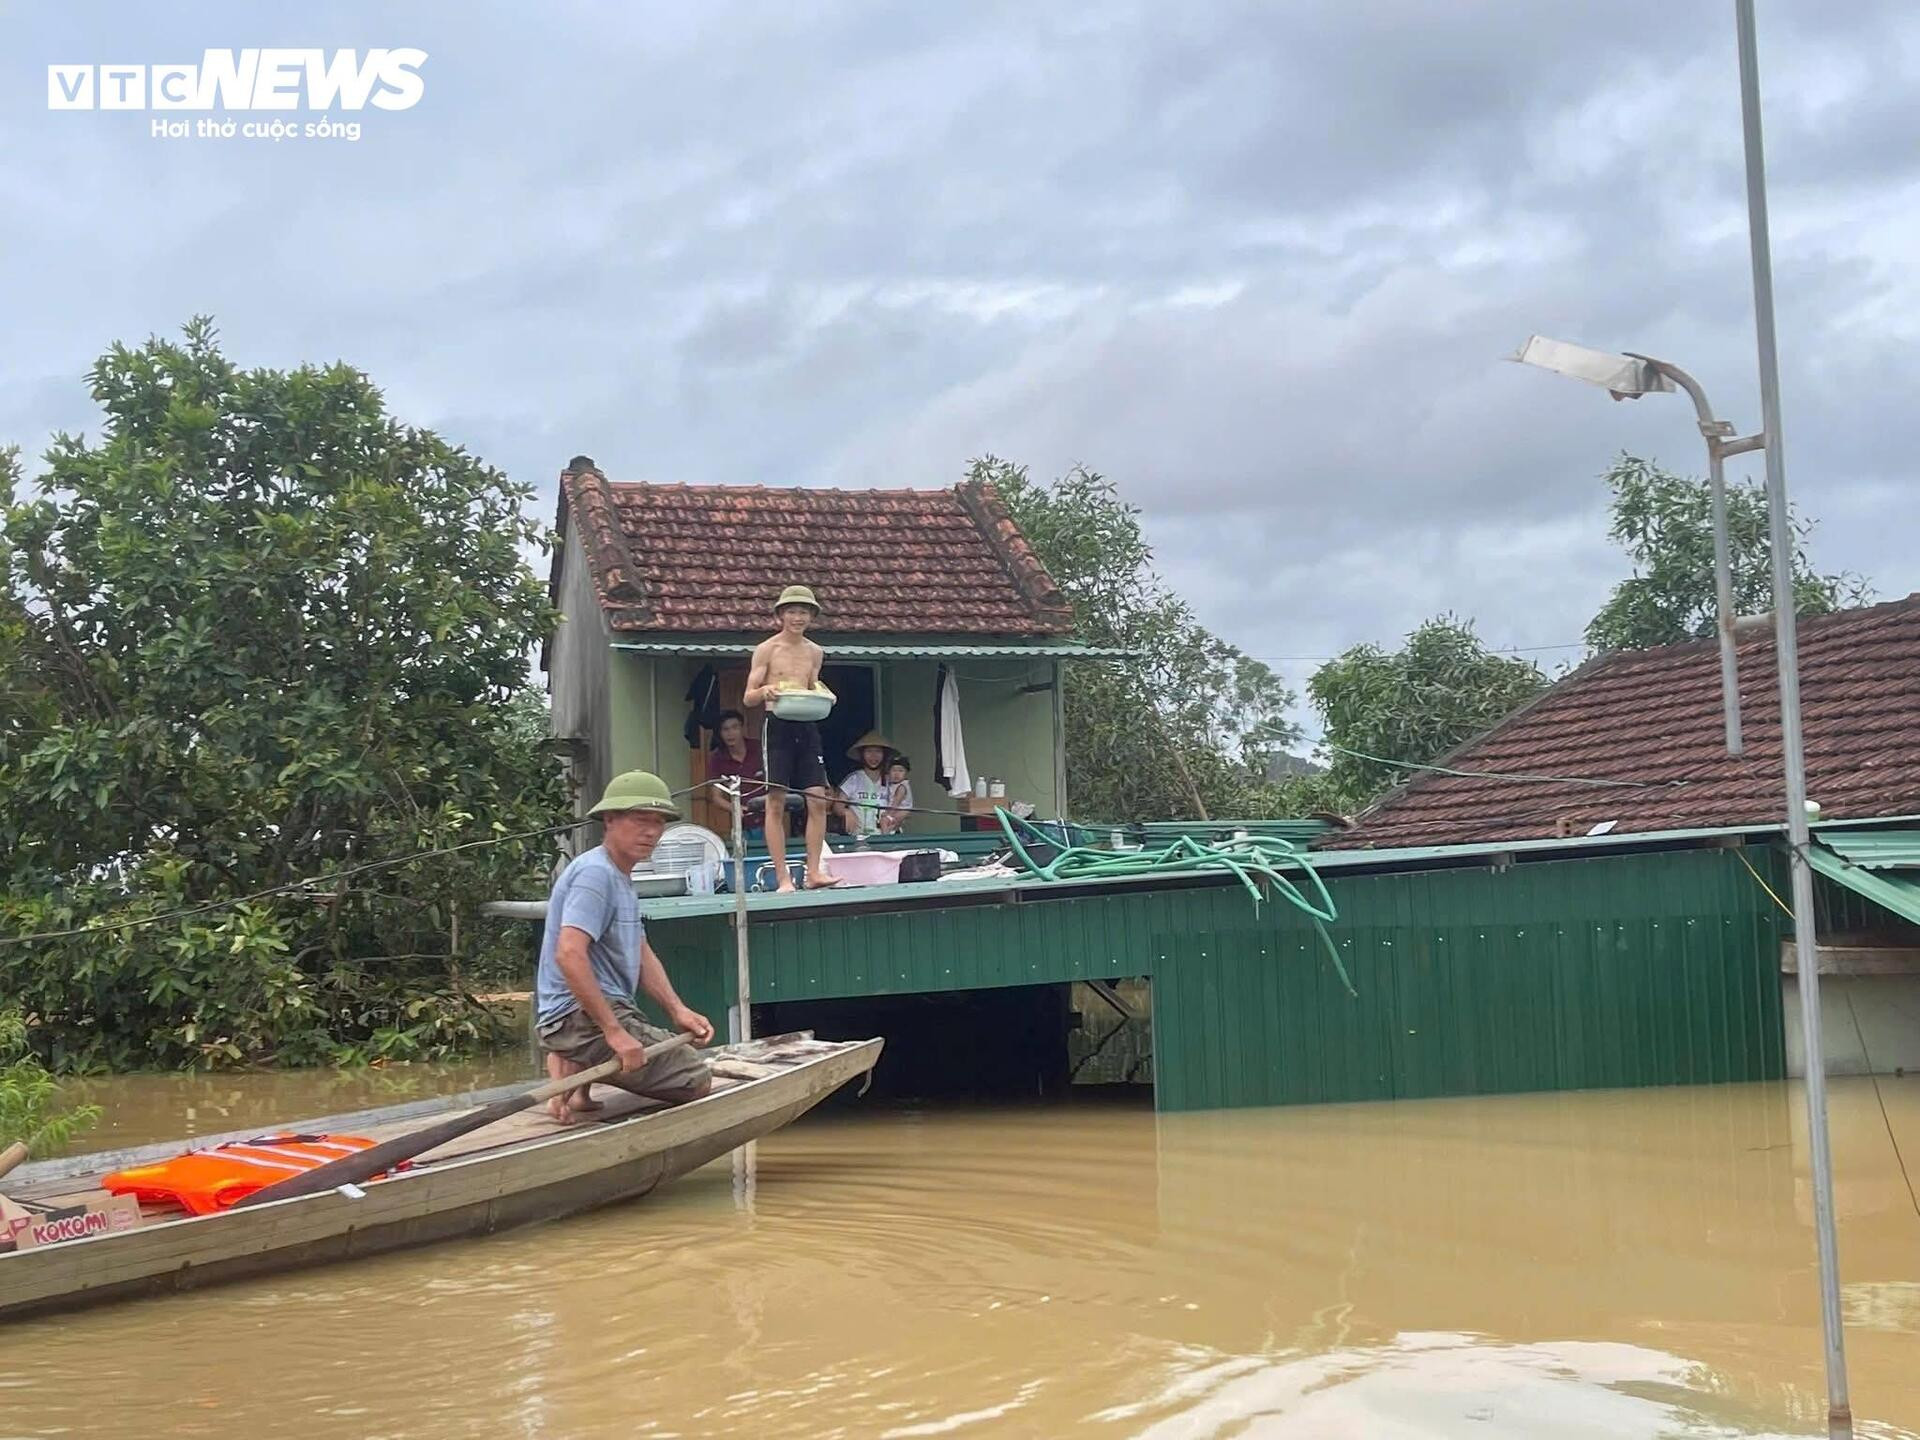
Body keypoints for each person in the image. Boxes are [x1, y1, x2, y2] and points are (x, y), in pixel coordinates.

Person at [534, 770, 716, 1124]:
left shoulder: (619, 875)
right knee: (696, 1079)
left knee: (658, 1043)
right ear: (610, 820)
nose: (651, 831)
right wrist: (614, 1033)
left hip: (598, 1012)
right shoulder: (596, 875)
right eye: (640, 820)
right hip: (577, 1019)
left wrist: (678, 1009)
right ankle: (572, 1062)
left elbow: (641, 951)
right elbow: (568, 953)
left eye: (659, 822)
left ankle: (575, 1078)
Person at [744, 584, 837, 890]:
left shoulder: (815, 651)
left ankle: (814, 872)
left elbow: (813, 686)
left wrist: (825, 693)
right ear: (781, 615)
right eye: (792, 611)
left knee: (818, 800)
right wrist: (764, 690)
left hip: (807, 724)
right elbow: (749, 697)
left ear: (812, 616)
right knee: (775, 802)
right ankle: (783, 877)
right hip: (778, 723)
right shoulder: (767, 649)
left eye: (804, 612)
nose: (798, 617)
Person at [706, 709, 765, 831]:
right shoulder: (717, 758)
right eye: (725, 729)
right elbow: (716, 797)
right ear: (720, 733)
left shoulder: (760, 749)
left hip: (771, 816)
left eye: (734, 727)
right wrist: (736, 808)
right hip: (742, 822)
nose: (730, 733)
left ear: (742, 729)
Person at [835, 731, 895, 837]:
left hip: (886, 837)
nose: (873, 756)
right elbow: (837, 806)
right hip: (858, 837)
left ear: (884, 755)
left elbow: (903, 807)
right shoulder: (854, 779)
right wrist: (846, 812)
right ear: (862, 754)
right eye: (869, 751)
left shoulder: (891, 780)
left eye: (878, 751)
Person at [881, 755, 913, 835]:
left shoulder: (902, 787)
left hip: (902, 809)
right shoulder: (892, 784)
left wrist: (888, 814)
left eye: (900, 771)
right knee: (893, 824)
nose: (896, 773)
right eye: (894, 770)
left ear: (906, 773)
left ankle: (885, 837)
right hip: (897, 810)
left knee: (884, 821)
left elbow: (896, 802)